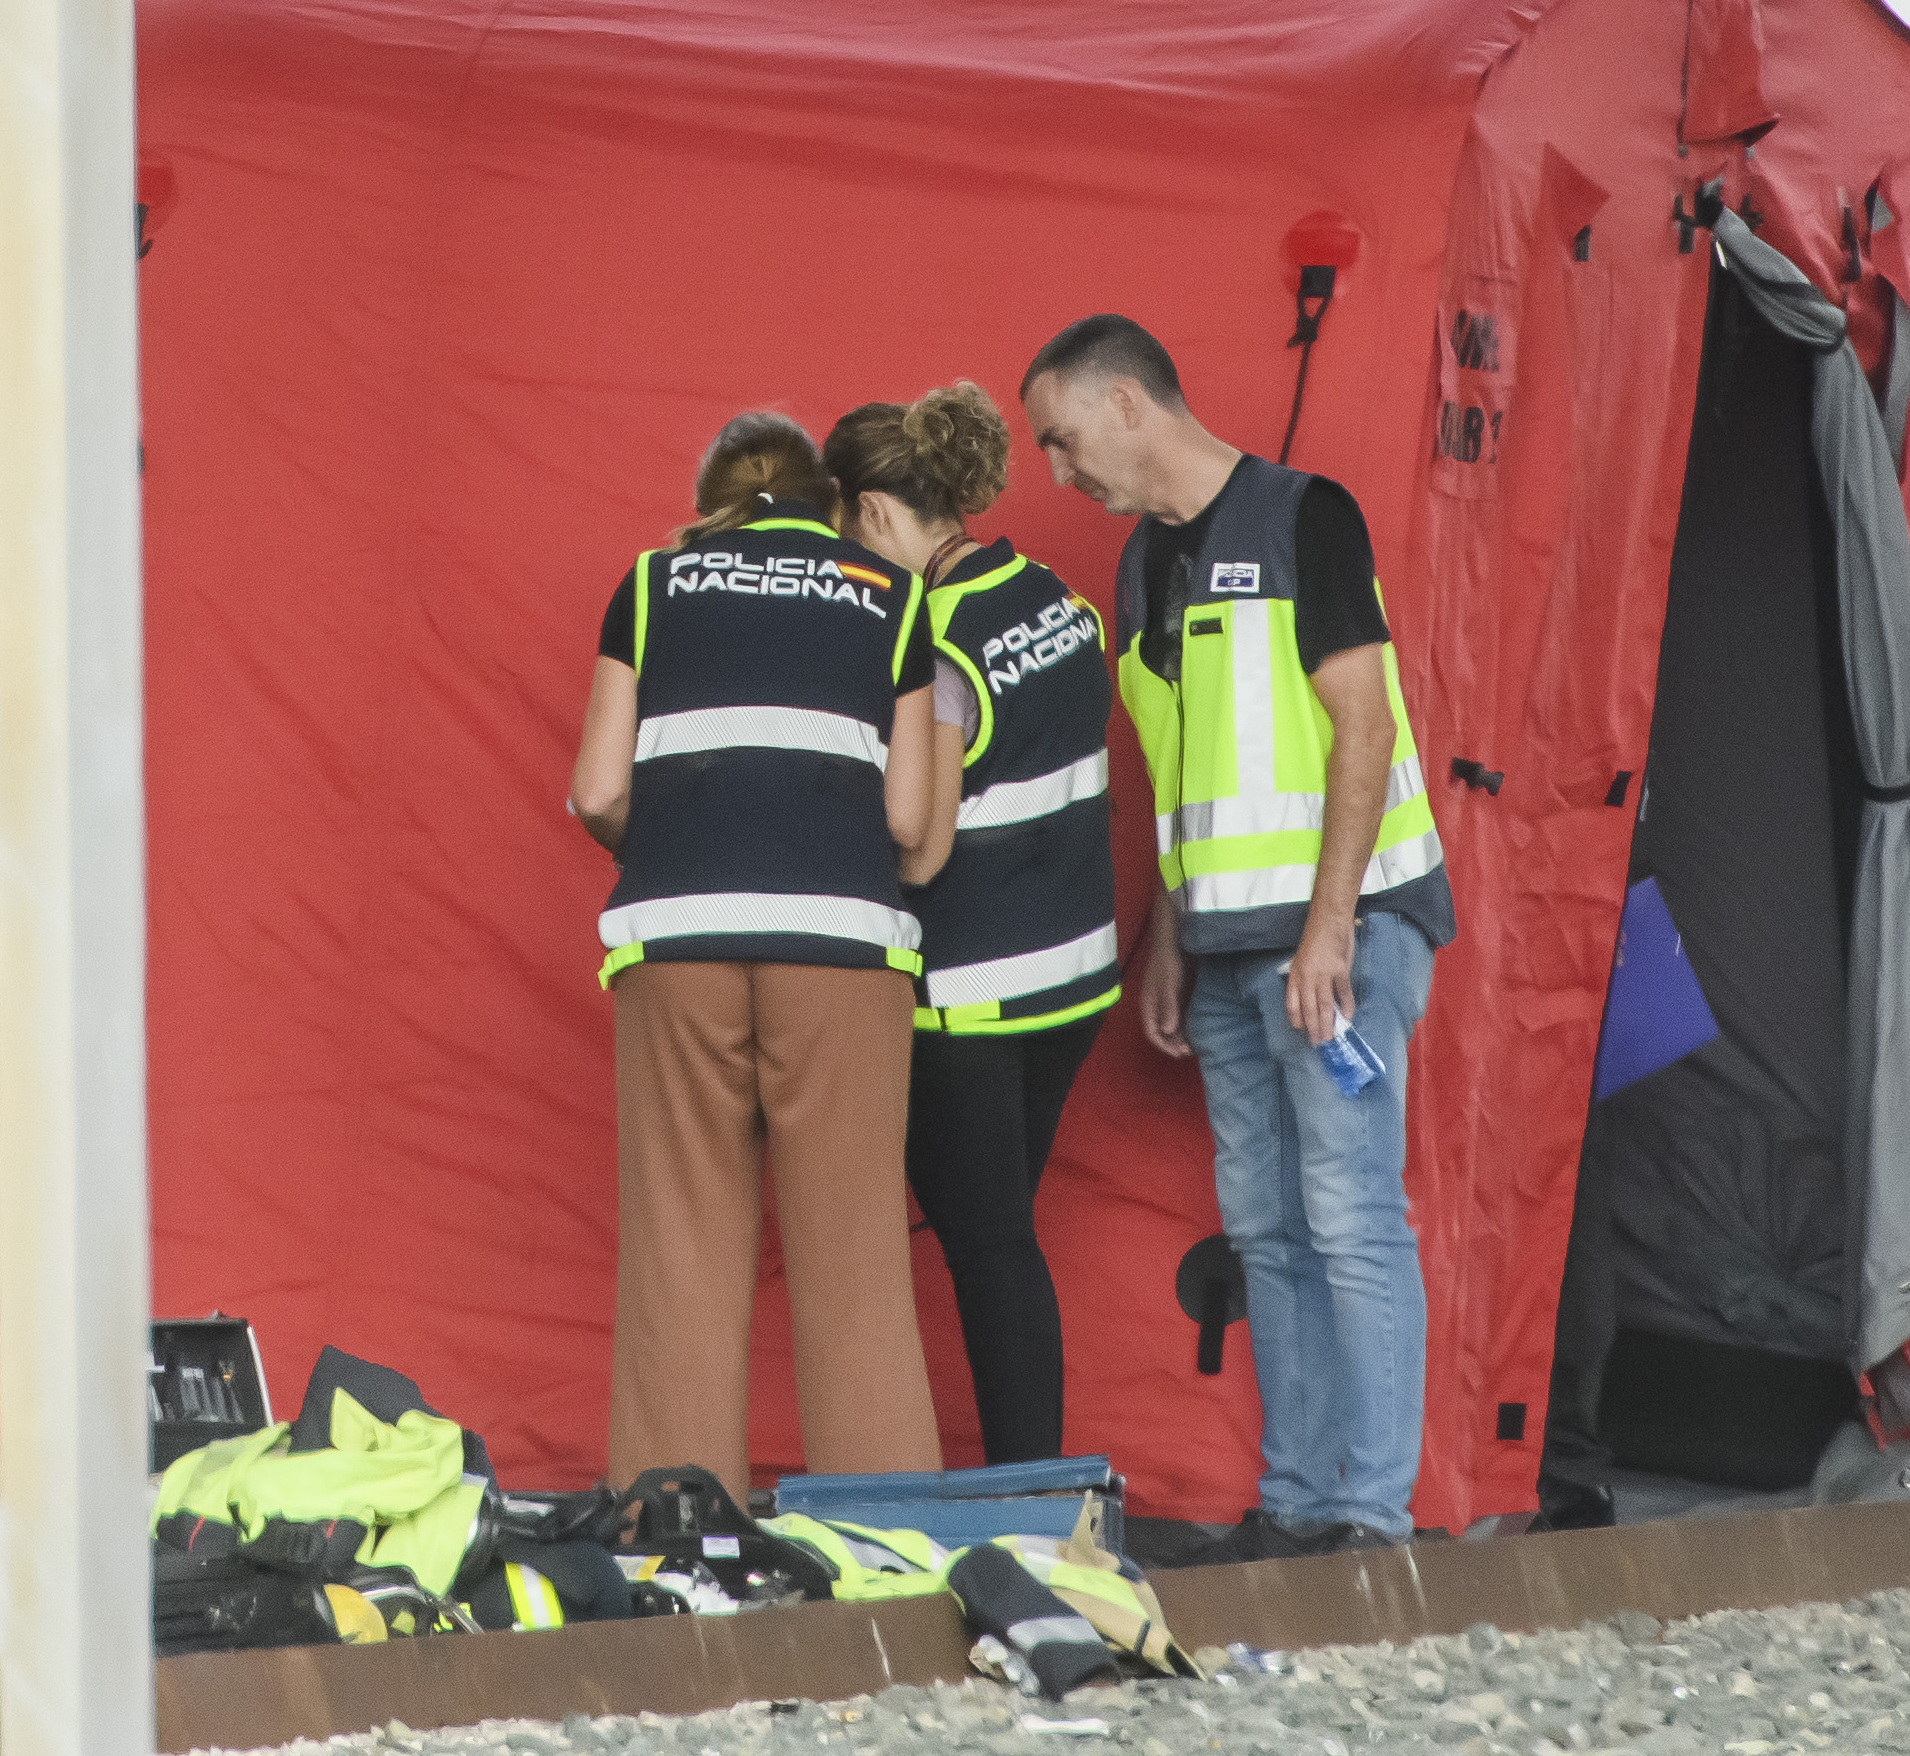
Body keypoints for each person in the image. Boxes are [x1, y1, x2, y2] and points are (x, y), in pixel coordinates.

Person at [1021, 314, 1445, 1556]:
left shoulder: (1307, 514)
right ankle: (1302, 1503)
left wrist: (1329, 931)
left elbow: (1361, 727)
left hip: (1338, 937)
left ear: (1127, 404)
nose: (1058, 472)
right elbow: (1182, 772)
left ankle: (1370, 1515)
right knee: (1267, 1227)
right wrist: (1166, 937)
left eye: (1061, 439)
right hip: (1223, 950)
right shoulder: (1143, 568)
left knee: (1351, 1217)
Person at [568, 411, 958, 1488]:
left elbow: (597, 788)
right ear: (830, 505)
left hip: (676, 938)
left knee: (680, 1246)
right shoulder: (893, 599)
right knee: (856, 1259)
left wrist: (672, 840)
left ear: (716, 502)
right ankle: (884, 1536)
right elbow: (910, 820)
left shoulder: (649, 586)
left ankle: (672, 1537)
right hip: (842, 946)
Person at [825, 383, 1115, 1468]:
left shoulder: (933, 635)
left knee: (991, 1250)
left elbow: (922, 845)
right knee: (1000, 1236)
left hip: (975, 999)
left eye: (847, 535)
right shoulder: (1049, 593)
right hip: (1076, 981)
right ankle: (1026, 1482)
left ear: (878, 515)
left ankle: (1030, 1492)